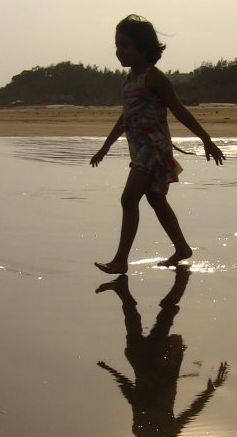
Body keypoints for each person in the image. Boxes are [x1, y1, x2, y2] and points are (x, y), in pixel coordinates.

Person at [90, 15, 224, 274]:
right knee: (155, 200)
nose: (120, 51)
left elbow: (180, 111)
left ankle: (120, 260)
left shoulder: (155, 78)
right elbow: (125, 118)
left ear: (143, 47)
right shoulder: (128, 81)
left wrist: (207, 140)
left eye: (126, 45)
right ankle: (182, 248)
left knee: (129, 199)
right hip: (140, 150)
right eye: (117, 45)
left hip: (154, 151)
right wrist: (105, 148)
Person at [96, 268, 228, 437]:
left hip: (143, 365)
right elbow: (189, 414)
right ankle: (181, 279)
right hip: (159, 365)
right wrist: (210, 391)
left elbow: (133, 397)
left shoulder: (142, 435)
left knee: (138, 319)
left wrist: (113, 373)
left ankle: (124, 289)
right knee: (163, 317)